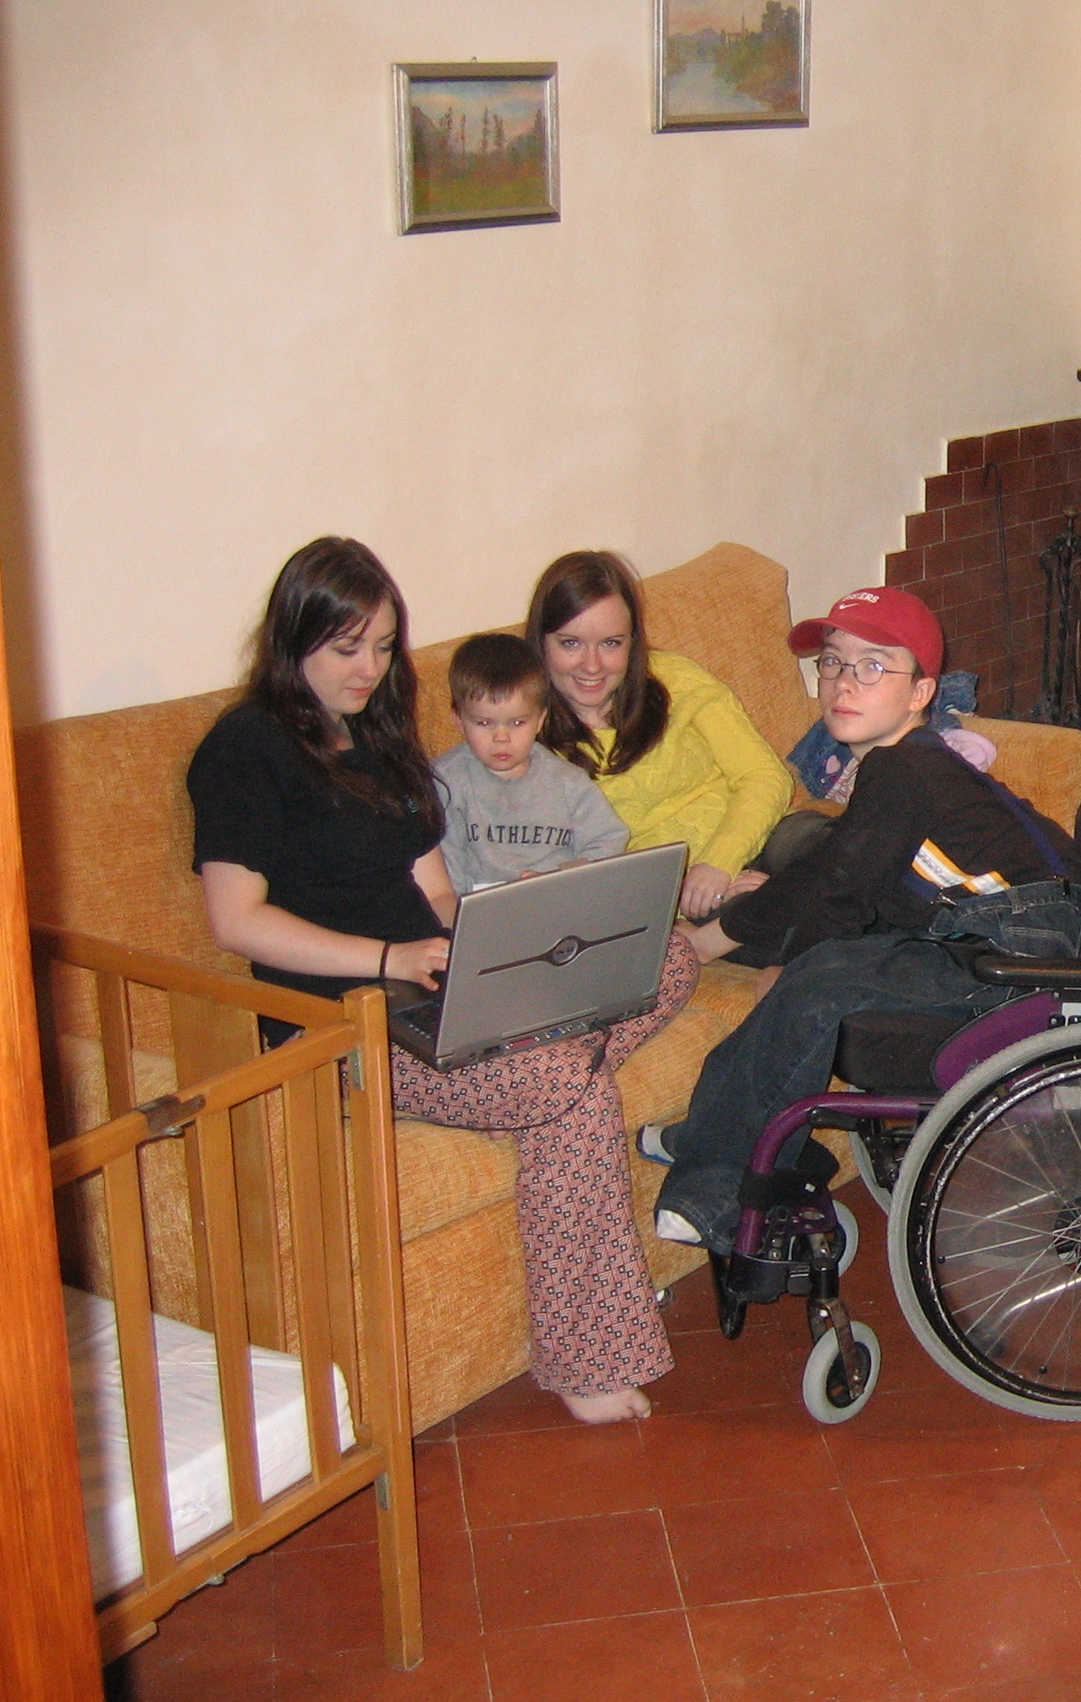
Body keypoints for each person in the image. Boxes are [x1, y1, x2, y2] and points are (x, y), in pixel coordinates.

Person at [188, 538, 696, 1424]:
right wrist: (390, 960)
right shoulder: (246, 749)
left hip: (444, 983)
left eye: (383, 647)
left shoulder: (381, 740)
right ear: (293, 638)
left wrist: (528, 946)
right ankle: (588, 1360)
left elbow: (437, 893)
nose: (369, 668)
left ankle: (547, 1036)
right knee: (565, 1085)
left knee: (670, 952)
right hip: (343, 1019)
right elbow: (236, 922)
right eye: (348, 648)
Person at [644, 586, 1081, 1253]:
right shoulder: (911, 764)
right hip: (985, 924)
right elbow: (855, 870)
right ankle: (714, 1128)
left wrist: (732, 947)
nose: (844, 684)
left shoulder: (903, 770)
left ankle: (713, 1194)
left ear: (920, 693)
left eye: (873, 666)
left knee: (817, 984)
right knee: (808, 928)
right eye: (832, 663)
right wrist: (777, 918)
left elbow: (840, 889)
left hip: (1018, 948)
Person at [527, 550, 795, 922]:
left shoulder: (676, 678)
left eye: (611, 643)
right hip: (678, 898)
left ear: (633, 641)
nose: (592, 665)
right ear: (541, 642)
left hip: (759, 842)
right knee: (794, 914)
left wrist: (720, 864)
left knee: (832, 844)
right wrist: (705, 890)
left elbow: (765, 777)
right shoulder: (523, 738)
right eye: (570, 643)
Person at [434, 632, 628, 892]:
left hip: (557, 899)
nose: (501, 738)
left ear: (540, 720)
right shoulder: (446, 783)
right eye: (483, 723)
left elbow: (610, 840)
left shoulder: (567, 781)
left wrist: (559, 878)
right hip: (484, 910)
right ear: (458, 720)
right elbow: (448, 875)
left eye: (517, 723)